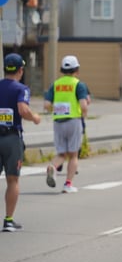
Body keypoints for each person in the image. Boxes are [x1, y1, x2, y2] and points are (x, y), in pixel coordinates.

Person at [0, 54, 41, 231]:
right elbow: (23, 110)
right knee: (12, 179)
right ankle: (8, 220)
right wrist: (35, 117)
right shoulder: (21, 89)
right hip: (11, 138)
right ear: (21, 70)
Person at [44, 55, 89, 193]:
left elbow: (46, 105)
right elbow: (83, 104)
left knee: (62, 154)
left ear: (62, 69)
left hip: (58, 122)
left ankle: (53, 166)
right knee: (73, 155)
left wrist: (56, 110)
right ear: (77, 69)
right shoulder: (78, 84)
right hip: (73, 121)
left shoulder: (55, 84)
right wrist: (84, 115)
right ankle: (68, 184)